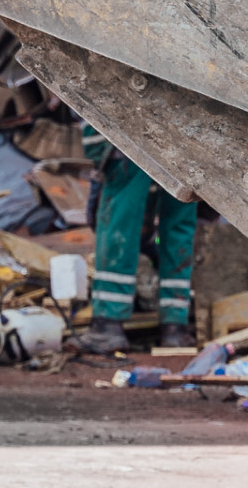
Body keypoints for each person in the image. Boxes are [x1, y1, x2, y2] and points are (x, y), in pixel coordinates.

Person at [71, 121, 197, 356]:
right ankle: (175, 329)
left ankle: (107, 324)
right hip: (187, 137)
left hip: (128, 134)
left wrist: (99, 149)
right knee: (179, 225)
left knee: (119, 225)